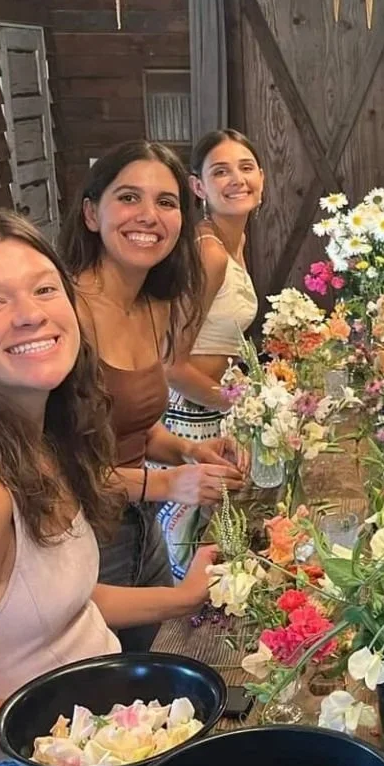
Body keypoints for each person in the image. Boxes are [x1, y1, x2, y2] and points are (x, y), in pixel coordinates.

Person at [0, 212, 216, 766]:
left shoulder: (33, 446)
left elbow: (59, 603)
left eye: (44, 289)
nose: (30, 314)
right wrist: (115, 731)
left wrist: (185, 599)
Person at [59, 140, 243, 650]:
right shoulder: (66, 313)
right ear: (92, 214)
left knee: (153, 676)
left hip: (141, 529)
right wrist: (166, 486)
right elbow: (58, 471)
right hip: (82, 538)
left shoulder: (155, 306)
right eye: (129, 198)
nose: (149, 215)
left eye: (166, 202)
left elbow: (133, 425)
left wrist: (187, 450)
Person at [160, 130, 262, 578]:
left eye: (246, 167)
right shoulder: (208, 253)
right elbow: (170, 365)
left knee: (224, 545)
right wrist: (240, 405)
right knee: (199, 560)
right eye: (220, 171)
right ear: (198, 186)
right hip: (189, 415)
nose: (236, 179)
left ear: (262, 177)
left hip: (210, 410)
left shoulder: (232, 242)